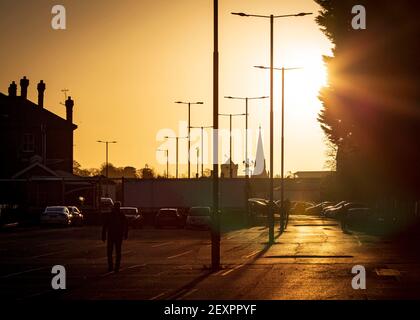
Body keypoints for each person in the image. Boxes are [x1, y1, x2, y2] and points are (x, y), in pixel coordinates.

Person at [102, 201, 128, 272]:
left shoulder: (112, 214)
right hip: (117, 235)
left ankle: (112, 266)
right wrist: (125, 234)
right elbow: (125, 225)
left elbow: (105, 226)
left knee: (111, 252)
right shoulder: (120, 215)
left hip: (112, 235)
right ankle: (116, 267)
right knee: (117, 252)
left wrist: (103, 235)